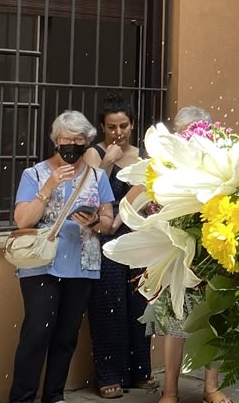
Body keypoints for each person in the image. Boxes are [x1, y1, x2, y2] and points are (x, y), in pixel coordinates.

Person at [9, 111, 115, 403]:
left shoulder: (97, 177)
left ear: (87, 142)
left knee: (66, 336)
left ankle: (54, 395)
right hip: (41, 263)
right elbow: (22, 221)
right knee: (36, 334)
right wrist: (48, 187)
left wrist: (93, 222)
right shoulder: (34, 174)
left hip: (82, 264)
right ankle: (22, 398)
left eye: (79, 140)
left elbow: (108, 222)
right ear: (56, 141)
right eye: (66, 139)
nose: (72, 145)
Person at [150, 106, 232, 403]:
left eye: (195, 131)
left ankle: (211, 387)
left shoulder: (219, 159)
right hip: (176, 253)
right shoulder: (165, 163)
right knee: (174, 324)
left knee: (214, 319)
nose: (189, 137)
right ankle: (169, 390)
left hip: (212, 254)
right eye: (183, 131)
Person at [82, 95, 157, 398]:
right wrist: (109, 161)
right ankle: (109, 375)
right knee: (107, 305)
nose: (118, 132)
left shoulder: (142, 156)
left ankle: (140, 371)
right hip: (103, 238)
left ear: (132, 124)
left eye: (123, 126)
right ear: (102, 126)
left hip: (136, 235)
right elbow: (88, 191)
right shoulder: (94, 154)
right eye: (111, 126)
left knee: (139, 304)